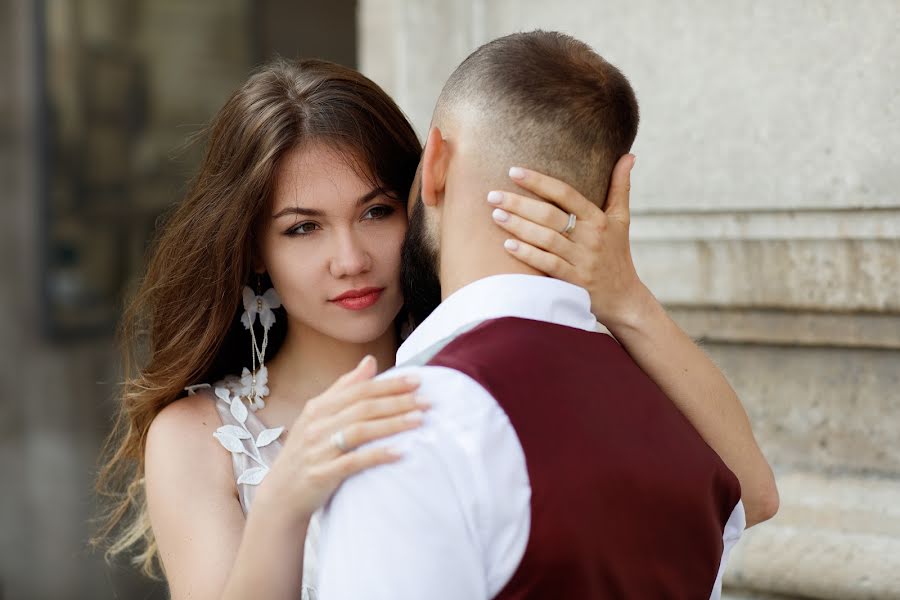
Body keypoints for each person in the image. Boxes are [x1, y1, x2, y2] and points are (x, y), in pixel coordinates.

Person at [91, 55, 774, 600]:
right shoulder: (200, 437)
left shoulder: (482, 377)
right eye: (303, 228)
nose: (350, 260)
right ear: (254, 252)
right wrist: (284, 502)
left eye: (376, 212)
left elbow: (752, 492)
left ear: (425, 192)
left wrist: (624, 298)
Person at [316, 31, 778, 599]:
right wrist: (627, 298)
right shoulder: (679, 418)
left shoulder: (407, 425)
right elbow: (755, 495)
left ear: (434, 163)